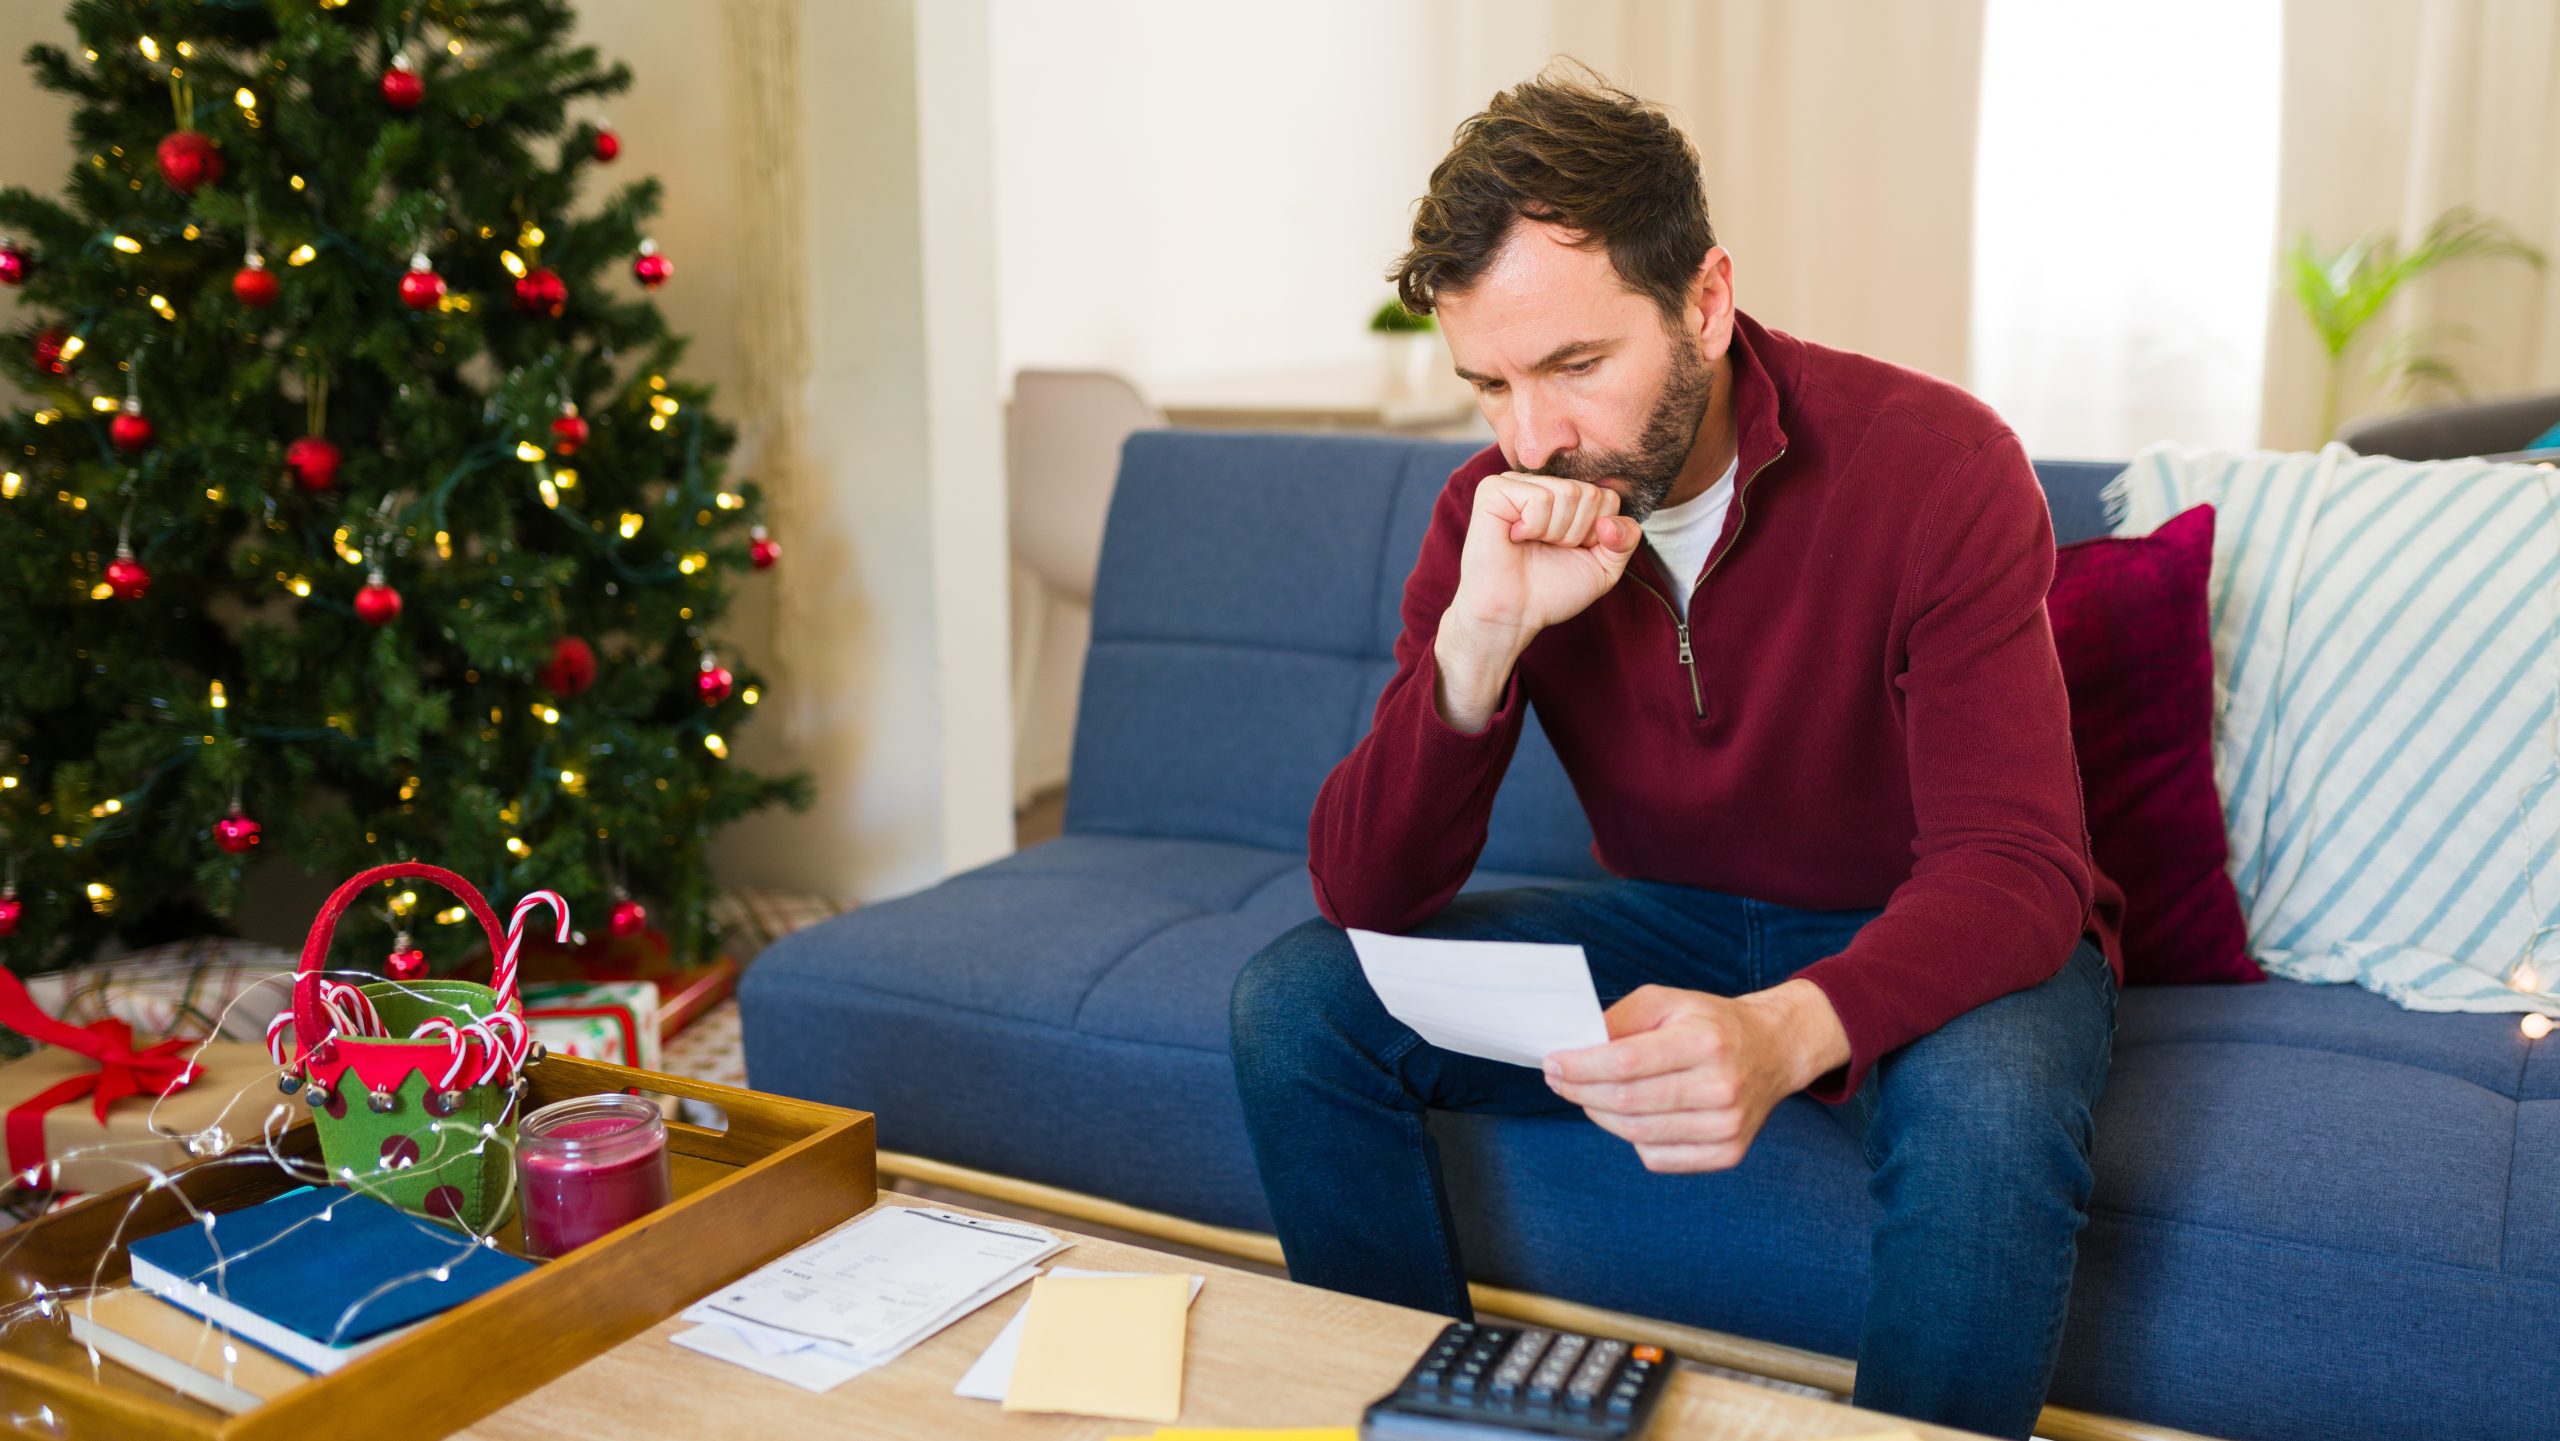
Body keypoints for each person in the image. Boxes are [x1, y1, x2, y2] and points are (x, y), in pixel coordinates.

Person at [1227, 68, 2125, 1439]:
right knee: (1296, 1002)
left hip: (1932, 930)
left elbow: (2018, 867)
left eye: (1575, 366)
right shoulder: (1496, 511)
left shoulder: (1938, 463)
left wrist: (1785, 1031)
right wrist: (1477, 648)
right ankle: (1439, 1414)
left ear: (1704, 301)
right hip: (1682, 922)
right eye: (1490, 385)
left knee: (1996, 1102)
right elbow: (1363, 894)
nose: (1534, 438)